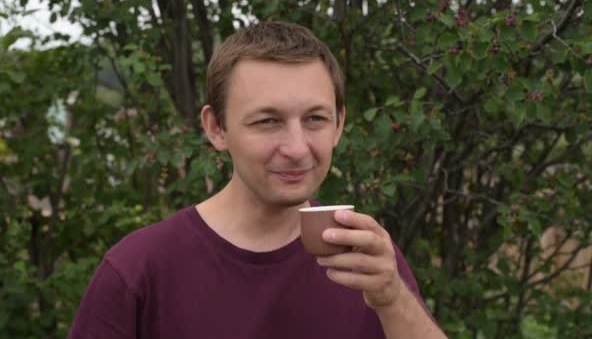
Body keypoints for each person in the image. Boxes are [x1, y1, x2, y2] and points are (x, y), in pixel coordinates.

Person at [68, 21, 446, 338]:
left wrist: (393, 298)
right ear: (216, 128)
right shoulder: (139, 270)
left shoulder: (365, 257)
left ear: (339, 124)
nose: (297, 148)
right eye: (268, 121)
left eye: (315, 118)